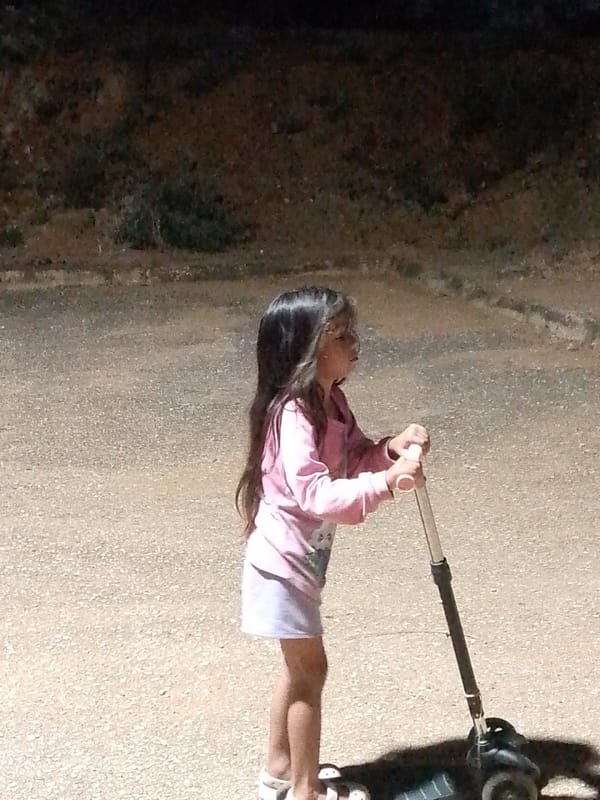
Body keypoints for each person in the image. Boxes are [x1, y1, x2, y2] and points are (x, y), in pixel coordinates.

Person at [236, 286, 429, 800]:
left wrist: (390, 451)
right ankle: (304, 791)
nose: (354, 343)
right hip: (281, 566)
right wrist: (387, 484)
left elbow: (357, 454)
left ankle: (279, 768)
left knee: (298, 669)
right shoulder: (294, 414)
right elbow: (317, 492)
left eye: (352, 332)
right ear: (306, 350)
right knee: (310, 671)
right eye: (340, 335)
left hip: (298, 564)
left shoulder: (331, 402)